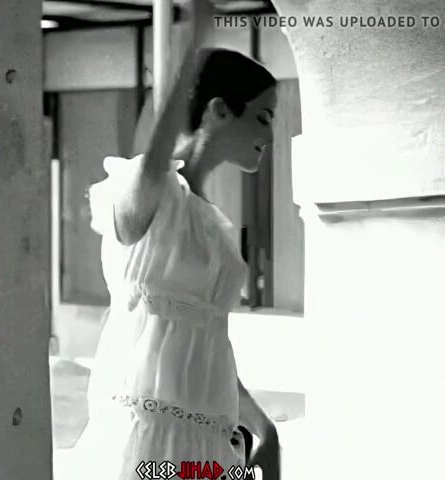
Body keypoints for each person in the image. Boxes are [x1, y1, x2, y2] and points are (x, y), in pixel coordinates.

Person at [74, 1, 280, 478]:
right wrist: (194, 41)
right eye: (263, 117)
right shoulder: (151, 192)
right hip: (140, 439)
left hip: (205, 446)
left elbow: (203, 344)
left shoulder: (213, 228)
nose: (270, 135)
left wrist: (262, 426)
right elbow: (156, 156)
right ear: (219, 111)